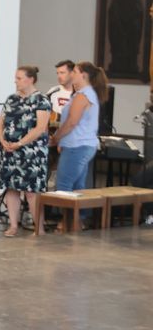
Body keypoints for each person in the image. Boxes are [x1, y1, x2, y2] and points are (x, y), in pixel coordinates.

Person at [0, 66, 52, 237]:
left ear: (31, 79)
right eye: (16, 78)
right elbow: (0, 123)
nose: (16, 81)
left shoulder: (41, 100)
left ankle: (38, 228)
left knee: (31, 192)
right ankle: (13, 225)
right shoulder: (11, 99)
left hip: (31, 152)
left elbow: (41, 127)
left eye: (19, 78)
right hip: (10, 151)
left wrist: (20, 143)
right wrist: (3, 140)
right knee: (11, 188)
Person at [50, 61, 107, 227]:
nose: (71, 74)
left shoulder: (83, 95)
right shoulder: (83, 93)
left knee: (64, 184)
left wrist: (56, 138)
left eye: (74, 71)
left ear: (84, 75)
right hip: (79, 145)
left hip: (77, 146)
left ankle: (67, 223)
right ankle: (77, 221)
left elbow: (71, 122)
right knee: (77, 186)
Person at [46, 59, 75, 124]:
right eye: (57, 73)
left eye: (62, 73)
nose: (59, 76)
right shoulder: (52, 91)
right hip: (53, 132)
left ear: (72, 73)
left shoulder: (80, 93)